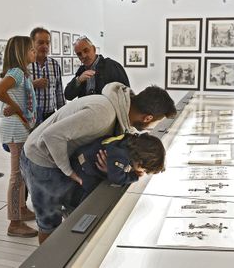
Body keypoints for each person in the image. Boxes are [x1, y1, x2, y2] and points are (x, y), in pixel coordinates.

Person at [20, 82, 177, 244]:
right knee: (50, 224)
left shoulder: (120, 111)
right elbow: (51, 136)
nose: (150, 127)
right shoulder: (103, 114)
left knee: (72, 212)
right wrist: (69, 172)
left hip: (60, 157)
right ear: (148, 118)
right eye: (154, 123)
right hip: (41, 159)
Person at [0, 36, 38, 238]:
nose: (34, 53)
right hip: (15, 129)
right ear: (21, 52)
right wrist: (17, 107)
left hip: (20, 128)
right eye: (31, 50)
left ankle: (22, 209)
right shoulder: (17, 72)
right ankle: (14, 222)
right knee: (17, 176)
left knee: (22, 173)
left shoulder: (23, 74)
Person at [70, 133, 166, 202]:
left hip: (84, 156)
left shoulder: (128, 142)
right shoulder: (121, 155)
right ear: (140, 163)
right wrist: (134, 176)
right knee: (92, 193)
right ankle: (76, 207)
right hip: (82, 165)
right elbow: (116, 178)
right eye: (144, 170)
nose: (143, 172)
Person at [64, 36, 129, 100]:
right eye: (79, 54)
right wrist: (79, 80)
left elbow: (126, 94)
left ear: (94, 49)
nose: (83, 56)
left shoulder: (112, 66)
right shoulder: (81, 71)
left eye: (86, 51)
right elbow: (68, 96)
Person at [28, 27, 66, 125]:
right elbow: (16, 90)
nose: (45, 46)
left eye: (47, 43)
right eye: (40, 43)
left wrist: (63, 115)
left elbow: (59, 92)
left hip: (51, 116)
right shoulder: (25, 64)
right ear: (32, 43)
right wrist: (32, 84)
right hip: (30, 116)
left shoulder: (54, 65)